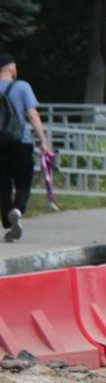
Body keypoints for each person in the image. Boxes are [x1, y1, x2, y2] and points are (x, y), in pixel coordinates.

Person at [0, 53, 50, 242]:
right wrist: (43, 140)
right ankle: (17, 210)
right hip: (21, 143)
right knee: (23, 184)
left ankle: (7, 222)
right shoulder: (22, 87)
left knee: (3, 187)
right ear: (11, 67)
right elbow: (33, 114)